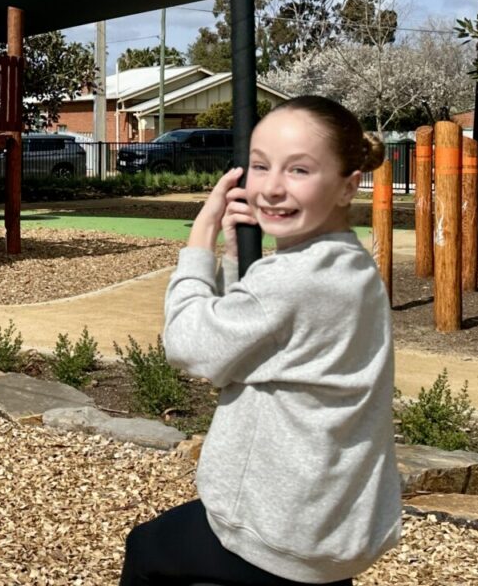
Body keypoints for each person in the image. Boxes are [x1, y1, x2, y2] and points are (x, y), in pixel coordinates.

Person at [119, 95, 402, 586]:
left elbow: (190, 347)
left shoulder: (294, 280)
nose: (271, 188)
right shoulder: (350, 265)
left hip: (279, 531)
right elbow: (259, 338)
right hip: (334, 525)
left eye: (299, 171)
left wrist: (200, 239)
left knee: (145, 549)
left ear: (347, 185)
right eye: (260, 166)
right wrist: (236, 257)